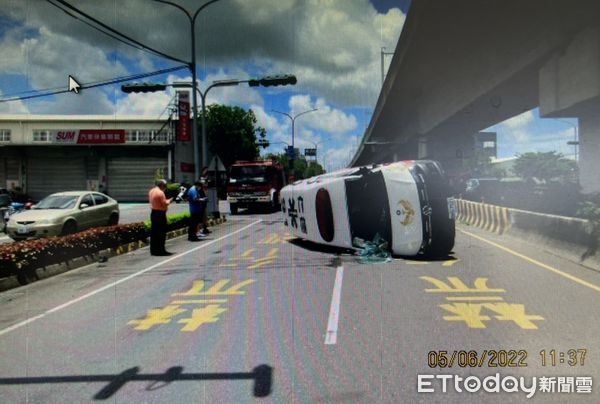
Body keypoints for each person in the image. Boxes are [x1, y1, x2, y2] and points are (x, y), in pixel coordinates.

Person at [148, 179, 173, 256]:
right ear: (162, 185)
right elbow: (164, 203)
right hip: (160, 214)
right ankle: (161, 250)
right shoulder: (160, 192)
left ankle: (153, 250)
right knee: (161, 233)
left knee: (154, 233)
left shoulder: (151, 191)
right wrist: (170, 200)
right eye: (165, 186)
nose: (165, 187)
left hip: (153, 213)